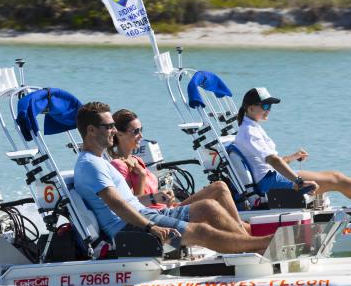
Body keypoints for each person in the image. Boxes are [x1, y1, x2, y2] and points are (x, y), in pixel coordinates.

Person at [73, 101, 272, 254]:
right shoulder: (90, 165)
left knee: (208, 207)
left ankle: (249, 248)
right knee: (200, 231)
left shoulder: (99, 161)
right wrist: (151, 227)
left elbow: (129, 201)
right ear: (91, 130)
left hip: (142, 214)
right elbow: (117, 206)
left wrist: (153, 199)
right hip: (129, 228)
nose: (114, 131)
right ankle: (265, 244)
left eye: (113, 126)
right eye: (108, 126)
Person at [234, 87, 351, 205]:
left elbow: (265, 162)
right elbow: (272, 160)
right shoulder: (249, 132)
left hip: (271, 176)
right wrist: (298, 182)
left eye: (270, 106)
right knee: (336, 180)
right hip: (270, 183)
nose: (268, 110)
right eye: (264, 105)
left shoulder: (251, 128)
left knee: (335, 178)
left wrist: (290, 158)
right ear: (250, 108)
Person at [108, 109, 251, 234]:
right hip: (156, 216)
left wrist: (166, 197)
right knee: (218, 188)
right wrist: (141, 177)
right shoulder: (118, 165)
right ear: (119, 134)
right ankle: (246, 235)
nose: (141, 135)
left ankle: (249, 232)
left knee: (221, 191)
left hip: (167, 209)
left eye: (141, 130)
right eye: (136, 131)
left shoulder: (136, 159)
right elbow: (129, 206)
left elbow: (150, 195)